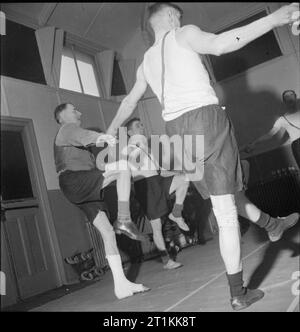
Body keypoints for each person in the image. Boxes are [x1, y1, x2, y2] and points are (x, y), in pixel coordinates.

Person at [106, 2, 299, 310]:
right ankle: (238, 293)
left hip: (178, 133)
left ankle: (271, 225)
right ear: (170, 17)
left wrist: (112, 129)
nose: (181, 20)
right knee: (225, 214)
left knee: (227, 197)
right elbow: (222, 44)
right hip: (205, 121)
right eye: (179, 16)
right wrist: (273, 19)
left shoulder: (145, 62)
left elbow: (130, 101)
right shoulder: (183, 34)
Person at [53, 103, 149, 299]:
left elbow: (95, 161)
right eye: (74, 110)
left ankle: (121, 286)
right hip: (73, 181)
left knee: (107, 232)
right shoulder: (66, 129)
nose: (79, 112)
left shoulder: (77, 144)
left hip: (80, 186)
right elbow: (82, 135)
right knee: (123, 167)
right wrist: (101, 137)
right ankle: (123, 218)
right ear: (62, 115)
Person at [125, 117, 189, 269]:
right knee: (156, 226)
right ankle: (166, 261)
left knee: (185, 178)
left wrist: (176, 170)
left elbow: (160, 170)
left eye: (142, 124)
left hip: (156, 179)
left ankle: (177, 213)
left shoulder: (145, 147)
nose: (142, 127)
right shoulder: (132, 144)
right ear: (129, 132)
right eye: (138, 126)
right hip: (145, 185)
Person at [246, 90, 300, 167]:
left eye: (291, 95)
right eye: (287, 96)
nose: (289, 97)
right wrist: (255, 142)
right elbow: (270, 134)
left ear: (295, 97)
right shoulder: (282, 119)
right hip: (297, 145)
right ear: (284, 101)